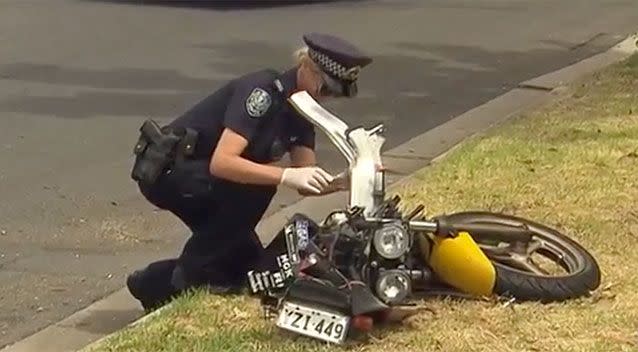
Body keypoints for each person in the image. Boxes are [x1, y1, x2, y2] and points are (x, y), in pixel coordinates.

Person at [125, 33, 373, 312]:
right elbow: (223, 162)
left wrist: (342, 181)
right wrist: (283, 176)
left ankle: (148, 283)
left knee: (249, 266)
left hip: (207, 180)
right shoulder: (263, 93)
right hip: (172, 171)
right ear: (306, 66)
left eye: (335, 94)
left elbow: (306, 178)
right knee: (258, 189)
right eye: (325, 88)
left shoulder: (302, 114)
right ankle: (187, 281)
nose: (326, 98)